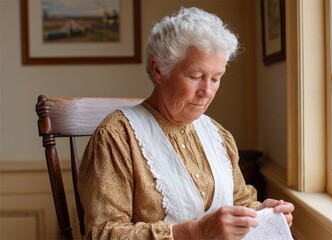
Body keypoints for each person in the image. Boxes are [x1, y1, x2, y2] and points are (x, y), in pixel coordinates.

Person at [78, 7, 294, 239]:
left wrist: (261, 214)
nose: (207, 91)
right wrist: (194, 232)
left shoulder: (218, 136)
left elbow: (240, 201)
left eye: (215, 78)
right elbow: (101, 233)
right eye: (195, 76)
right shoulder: (116, 137)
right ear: (158, 70)